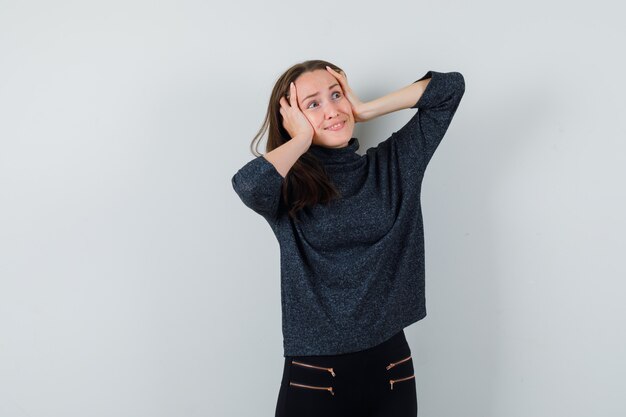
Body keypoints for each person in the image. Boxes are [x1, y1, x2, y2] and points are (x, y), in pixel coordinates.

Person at [231, 59, 465, 417]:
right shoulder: (287, 188)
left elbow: (450, 89)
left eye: (336, 94)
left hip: (391, 370)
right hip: (315, 375)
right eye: (312, 103)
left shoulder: (394, 164)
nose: (332, 110)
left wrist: (367, 108)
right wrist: (303, 139)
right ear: (291, 119)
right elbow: (247, 185)